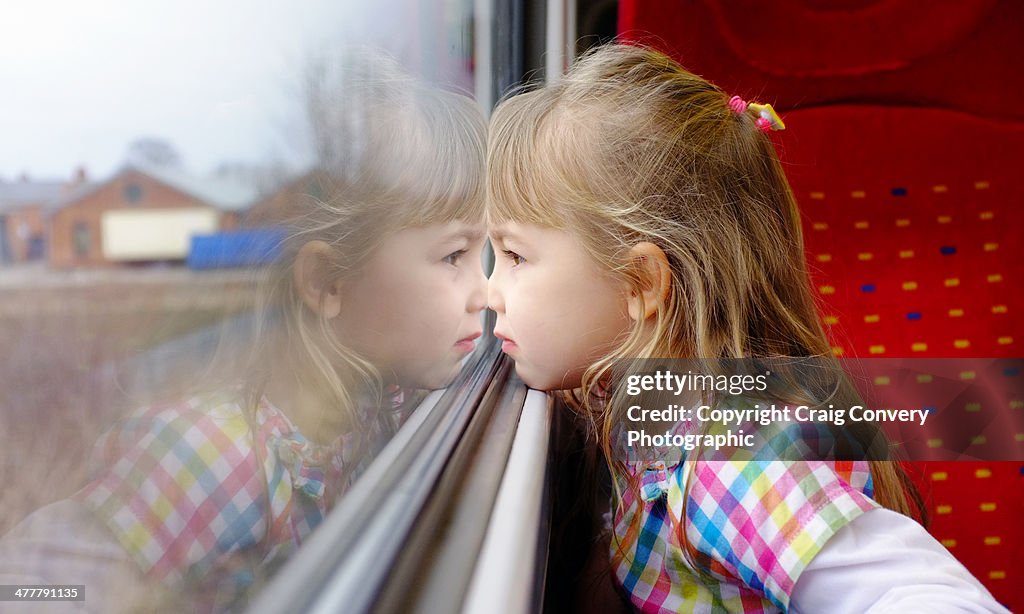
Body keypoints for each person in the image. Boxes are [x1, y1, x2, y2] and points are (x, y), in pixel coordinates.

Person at [486, 43, 1008, 613]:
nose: (489, 292)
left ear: (638, 283)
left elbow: (922, 596)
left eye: (514, 256)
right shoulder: (633, 397)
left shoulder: (733, 457)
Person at [0, 51, 488, 613]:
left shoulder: (380, 407)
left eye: (489, 255)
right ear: (329, 282)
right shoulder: (213, 458)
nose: (486, 293)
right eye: (455, 255)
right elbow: (26, 589)